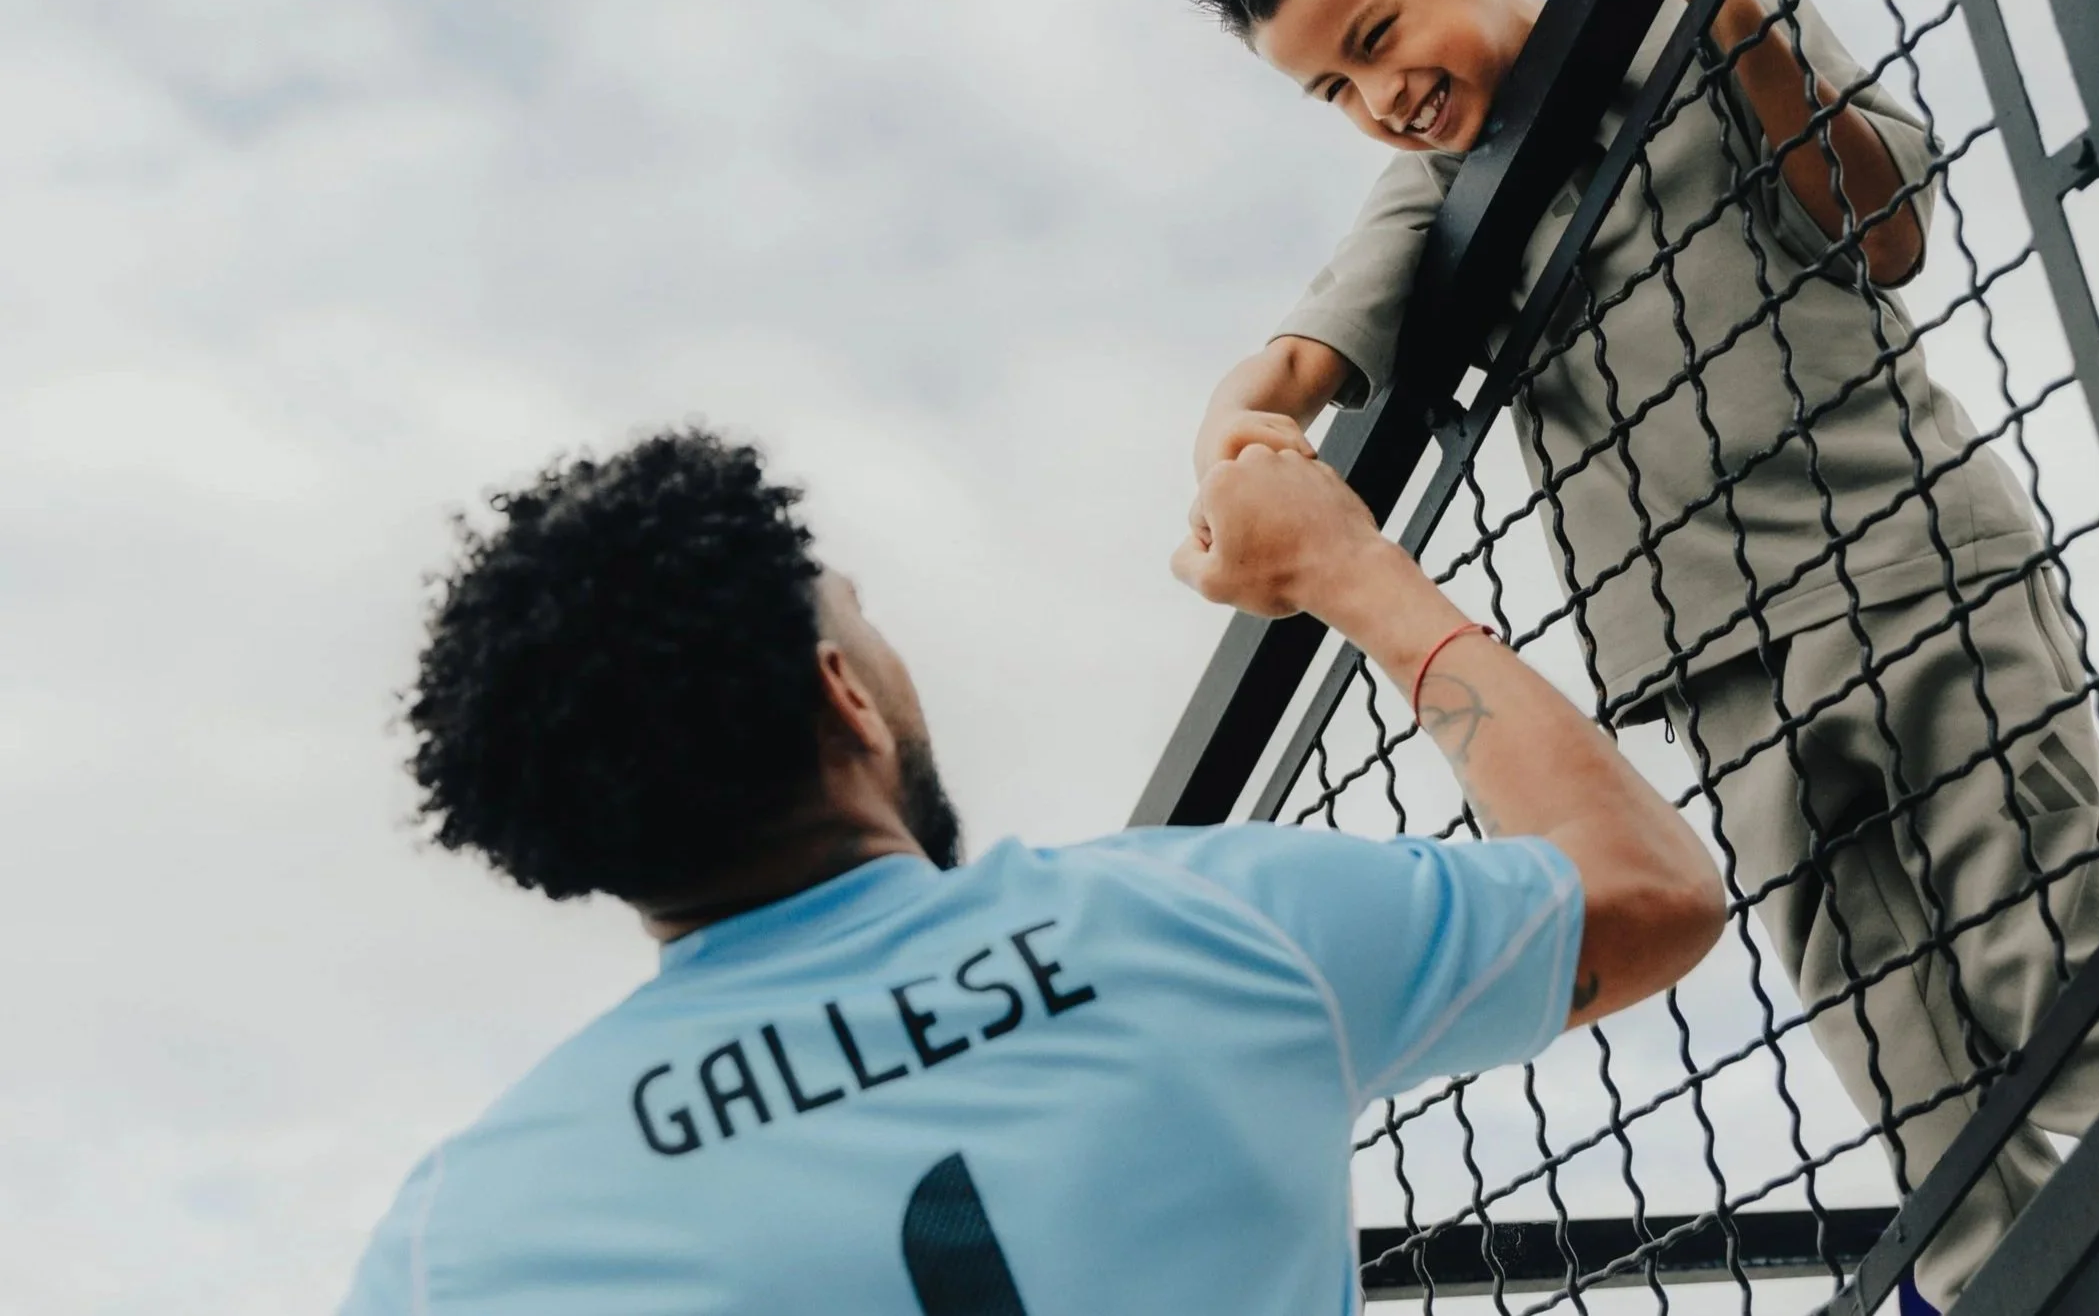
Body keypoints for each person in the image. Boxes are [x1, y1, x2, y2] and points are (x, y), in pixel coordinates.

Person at [1186, 0, 2099, 1308]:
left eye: (1377, 38)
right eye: (1333, 89)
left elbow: (1884, 228)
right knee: (1905, 1070)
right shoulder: (1437, 195)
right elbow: (1294, 361)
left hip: (1903, 557)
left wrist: (1731, 4)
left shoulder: (1699, 25)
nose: (1379, 99)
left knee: (2046, 955)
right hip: (1717, 673)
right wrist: (1238, 432)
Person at [341, 428, 1723, 1314]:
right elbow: (1646, 888)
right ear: (845, 694)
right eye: (862, 627)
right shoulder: (1206, 918)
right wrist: (1352, 570)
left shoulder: (462, 1240)